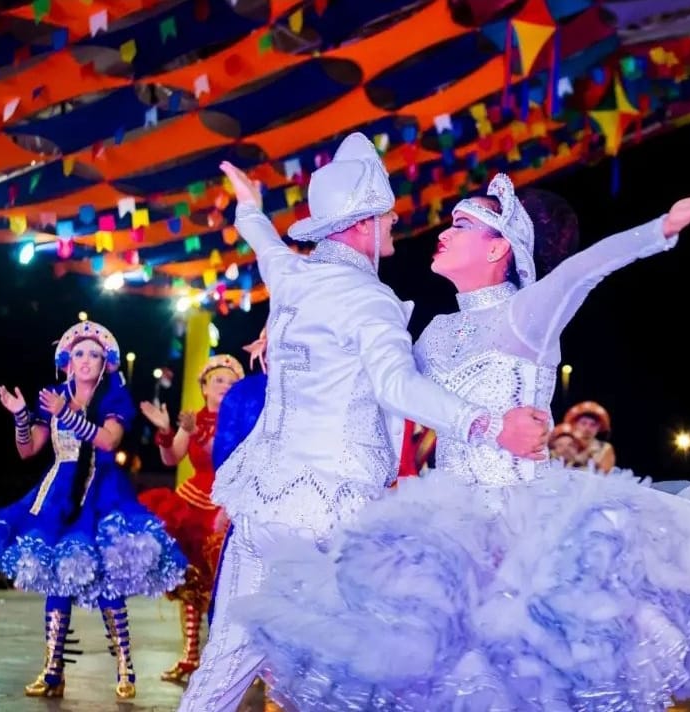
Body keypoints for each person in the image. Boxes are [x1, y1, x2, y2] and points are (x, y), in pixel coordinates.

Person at [236, 173, 690, 711]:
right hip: (443, 530)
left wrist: (665, 225)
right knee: (440, 678)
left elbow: (588, 266)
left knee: (522, 680)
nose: (444, 232)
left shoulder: (525, 314)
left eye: (461, 225)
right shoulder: (432, 333)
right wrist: (292, 326)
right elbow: (384, 385)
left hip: (518, 528)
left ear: (496, 249)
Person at [177, 134, 549, 712]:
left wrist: (251, 208)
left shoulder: (293, 278)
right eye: (389, 218)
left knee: (225, 663)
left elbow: (267, 246)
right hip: (331, 517)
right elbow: (399, 388)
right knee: (358, 678)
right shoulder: (368, 299)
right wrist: (489, 426)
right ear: (362, 224)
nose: (397, 224)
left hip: (261, 505)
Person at [0, 320, 186, 699]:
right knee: (57, 579)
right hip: (57, 492)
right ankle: (53, 672)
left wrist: (66, 414)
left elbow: (107, 442)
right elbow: (28, 449)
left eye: (94, 354)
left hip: (102, 490)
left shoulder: (113, 399)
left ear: (105, 364)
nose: (86, 360)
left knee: (106, 580)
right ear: (67, 361)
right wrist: (22, 416)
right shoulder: (54, 393)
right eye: (79, 354)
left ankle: (125, 668)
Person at [138, 353, 245, 683]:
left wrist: (198, 433)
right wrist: (167, 432)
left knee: (228, 585)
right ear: (204, 386)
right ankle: (190, 655)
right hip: (193, 502)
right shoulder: (193, 418)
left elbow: (223, 455)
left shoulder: (242, 420)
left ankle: (230, 659)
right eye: (218, 380)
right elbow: (172, 458)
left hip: (227, 502)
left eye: (231, 382)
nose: (225, 386)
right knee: (190, 583)